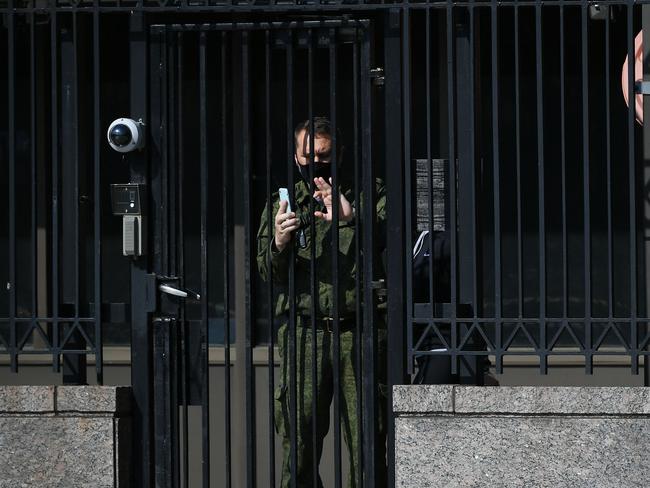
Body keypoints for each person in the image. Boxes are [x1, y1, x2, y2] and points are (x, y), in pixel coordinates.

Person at [256, 117, 387, 488]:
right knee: (298, 441)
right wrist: (279, 244)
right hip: (305, 333)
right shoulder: (285, 202)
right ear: (297, 158)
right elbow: (267, 271)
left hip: (359, 332)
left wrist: (351, 219)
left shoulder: (370, 194)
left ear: (340, 154)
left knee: (366, 443)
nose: (318, 162)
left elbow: (393, 241)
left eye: (326, 155)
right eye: (310, 155)